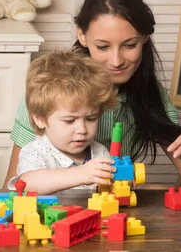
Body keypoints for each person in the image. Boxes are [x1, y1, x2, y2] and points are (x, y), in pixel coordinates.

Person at [5, 0, 181, 191]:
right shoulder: (49, 93)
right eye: (103, 46)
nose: (116, 61)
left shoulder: (149, 95)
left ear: (144, 38)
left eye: (130, 45)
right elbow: (15, 187)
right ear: (82, 36)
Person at [7, 50, 118, 195]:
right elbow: (28, 183)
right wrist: (81, 174)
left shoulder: (99, 152)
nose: (82, 129)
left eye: (91, 118)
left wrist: (120, 181)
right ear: (40, 119)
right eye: (69, 120)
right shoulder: (36, 152)